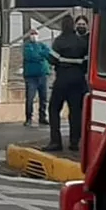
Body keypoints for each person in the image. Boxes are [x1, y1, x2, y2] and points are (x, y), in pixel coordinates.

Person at [44, 15, 89, 152]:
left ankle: (55, 142)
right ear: (74, 26)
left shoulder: (59, 41)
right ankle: (74, 142)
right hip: (78, 80)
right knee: (75, 112)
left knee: (54, 109)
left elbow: (52, 59)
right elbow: (87, 62)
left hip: (62, 79)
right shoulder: (82, 43)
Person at [22, 29, 51, 127]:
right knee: (30, 98)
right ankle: (28, 118)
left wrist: (40, 54)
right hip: (31, 77)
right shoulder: (27, 46)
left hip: (43, 75)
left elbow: (48, 53)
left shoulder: (42, 45)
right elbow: (30, 56)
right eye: (32, 34)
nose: (34, 36)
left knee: (44, 98)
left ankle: (42, 117)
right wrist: (41, 56)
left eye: (35, 34)